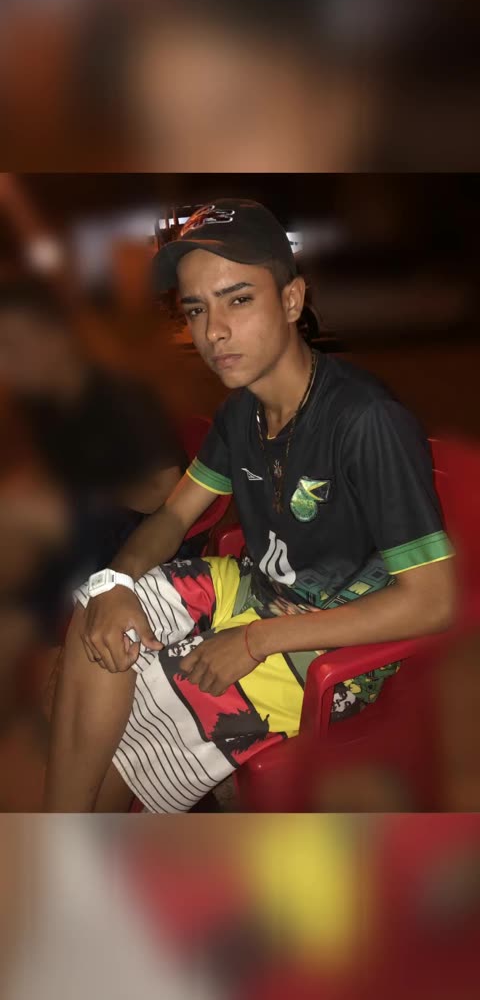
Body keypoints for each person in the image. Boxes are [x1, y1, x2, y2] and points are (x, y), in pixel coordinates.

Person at [44, 199, 455, 813]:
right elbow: (172, 517)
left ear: (291, 300)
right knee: (102, 618)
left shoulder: (365, 422)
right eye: (196, 309)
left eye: (238, 300)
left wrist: (257, 640)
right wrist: (115, 582)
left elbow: (433, 600)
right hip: (256, 589)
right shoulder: (242, 413)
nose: (213, 331)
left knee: (142, 704)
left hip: (337, 643)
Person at [0, 276, 185, 640]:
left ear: (57, 337)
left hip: (137, 538)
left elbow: (165, 491)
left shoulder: (121, 397)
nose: (7, 363)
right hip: (80, 535)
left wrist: (73, 495)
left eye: (15, 345)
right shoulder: (44, 405)